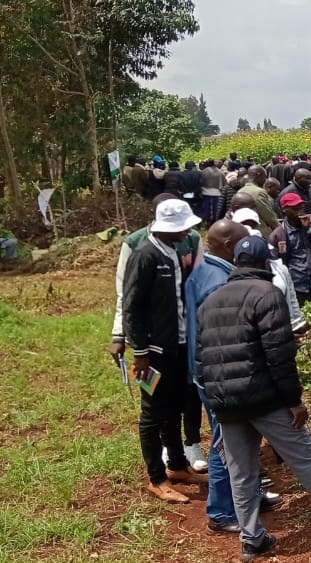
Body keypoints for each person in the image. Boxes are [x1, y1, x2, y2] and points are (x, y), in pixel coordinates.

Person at [199, 236, 311, 561]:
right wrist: (294, 400)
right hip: (265, 398)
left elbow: (203, 360)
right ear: (262, 263)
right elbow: (279, 355)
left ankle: (252, 538)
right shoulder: (267, 294)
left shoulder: (211, 301)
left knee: (241, 473)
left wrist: (217, 402)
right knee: (305, 459)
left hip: (226, 404)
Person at [184, 221, 286, 534]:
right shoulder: (219, 280)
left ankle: (248, 494)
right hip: (222, 374)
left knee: (241, 439)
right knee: (225, 443)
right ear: (229, 245)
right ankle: (223, 511)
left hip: (211, 370)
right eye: (242, 242)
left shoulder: (203, 272)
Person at [121, 200, 208, 502]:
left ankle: (177, 464)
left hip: (178, 345)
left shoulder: (173, 251)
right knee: (152, 413)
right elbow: (131, 306)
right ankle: (156, 478)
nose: (188, 231)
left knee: (175, 406)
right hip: (154, 352)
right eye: (184, 227)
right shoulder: (145, 255)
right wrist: (140, 351)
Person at [269, 192, 311, 307]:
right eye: (294, 208)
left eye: (301, 207)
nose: (299, 211)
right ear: (284, 210)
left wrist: (310, 230)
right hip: (296, 284)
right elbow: (276, 263)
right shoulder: (278, 234)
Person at [239, 166, 281, 232]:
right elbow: (268, 216)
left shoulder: (240, 191)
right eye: (264, 177)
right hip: (260, 231)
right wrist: (280, 229)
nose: (265, 180)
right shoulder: (259, 192)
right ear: (258, 175)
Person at [199, 160, 225, 224]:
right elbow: (224, 182)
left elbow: (200, 182)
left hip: (205, 192)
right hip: (217, 193)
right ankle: (215, 221)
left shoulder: (204, 171)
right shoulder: (220, 171)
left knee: (206, 208)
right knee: (216, 209)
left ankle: (206, 221)